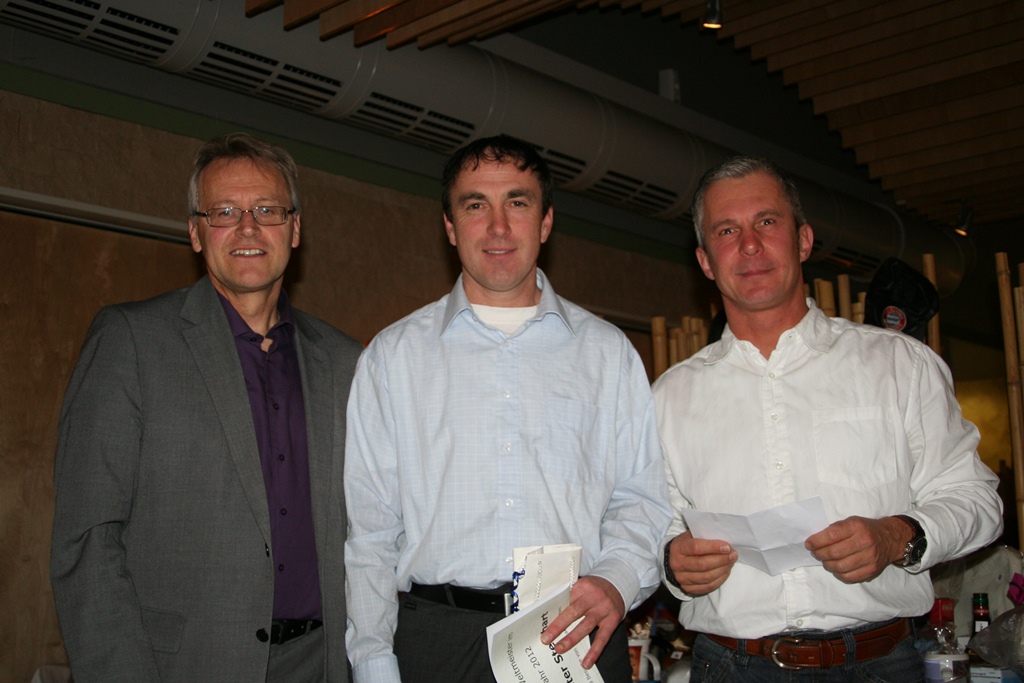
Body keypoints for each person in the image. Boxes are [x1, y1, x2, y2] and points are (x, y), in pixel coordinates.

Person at [655, 155, 1004, 681]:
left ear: (803, 240)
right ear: (705, 261)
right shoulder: (668, 395)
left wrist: (897, 536)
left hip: (880, 664)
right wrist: (672, 560)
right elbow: (653, 522)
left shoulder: (900, 365)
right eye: (727, 230)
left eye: (767, 221)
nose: (749, 245)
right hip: (731, 665)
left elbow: (977, 499)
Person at [344, 135, 672, 683]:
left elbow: (642, 500)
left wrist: (616, 579)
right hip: (437, 642)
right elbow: (371, 531)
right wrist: (374, 661)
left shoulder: (607, 354)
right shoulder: (392, 357)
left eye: (517, 203)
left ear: (545, 222)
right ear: (450, 227)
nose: (498, 227)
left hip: (575, 633)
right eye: (476, 205)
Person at [50, 133, 363, 683]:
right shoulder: (131, 340)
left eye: (267, 209)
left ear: (295, 229)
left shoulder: (347, 361)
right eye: (224, 212)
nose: (248, 227)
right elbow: (89, 538)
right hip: (181, 666)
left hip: (321, 663)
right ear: (195, 232)